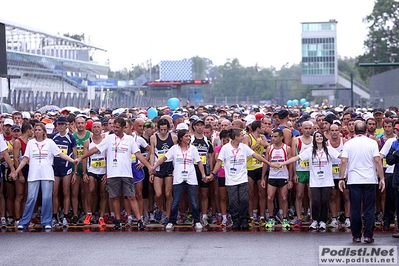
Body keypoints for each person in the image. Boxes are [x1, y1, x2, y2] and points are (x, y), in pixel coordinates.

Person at [78, 117, 152, 230]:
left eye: (118, 127)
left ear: (123, 128)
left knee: (131, 196)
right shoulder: (108, 139)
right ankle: (118, 220)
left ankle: (139, 220)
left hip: (126, 173)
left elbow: (138, 154)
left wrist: (149, 166)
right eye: (114, 127)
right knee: (115, 197)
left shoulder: (129, 139)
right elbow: (96, 149)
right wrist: (82, 157)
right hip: (113, 173)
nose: (115, 129)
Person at [11, 123, 76, 230]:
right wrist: (16, 172)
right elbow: (25, 159)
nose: (37, 132)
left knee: (46, 198)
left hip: (47, 174)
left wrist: (73, 160)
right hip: (33, 174)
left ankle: (46, 221)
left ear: (44, 132)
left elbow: (60, 154)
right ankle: (24, 221)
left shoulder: (50, 142)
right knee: (31, 198)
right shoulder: (31, 143)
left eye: (39, 130)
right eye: (35, 130)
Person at [276, 131, 340, 230]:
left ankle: (322, 221)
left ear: (323, 138)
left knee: (324, 201)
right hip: (314, 181)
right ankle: (315, 220)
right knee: (315, 201)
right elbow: (296, 158)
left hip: (327, 181)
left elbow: (342, 157)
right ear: (314, 139)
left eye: (320, 136)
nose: (319, 138)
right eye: (317, 136)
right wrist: (283, 163)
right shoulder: (310, 150)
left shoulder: (329, 150)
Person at [211, 128, 273, 230]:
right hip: (231, 180)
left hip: (243, 179)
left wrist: (268, 163)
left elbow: (255, 155)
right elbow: (219, 162)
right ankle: (235, 220)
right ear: (236, 137)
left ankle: (244, 219)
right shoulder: (225, 148)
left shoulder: (244, 147)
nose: (243, 137)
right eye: (241, 135)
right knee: (233, 201)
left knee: (244, 200)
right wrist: (213, 174)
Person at [339, 121, 385, 243]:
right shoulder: (372, 143)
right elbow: (377, 160)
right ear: (366, 131)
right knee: (369, 208)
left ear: (354, 130)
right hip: (369, 179)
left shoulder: (348, 143)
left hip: (354, 179)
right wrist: (382, 178)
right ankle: (368, 235)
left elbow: (343, 161)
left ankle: (356, 235)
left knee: (355, 208)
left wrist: (341, 178)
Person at [152, 129, 205, 230]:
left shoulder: (193, 149)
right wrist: (154, 167)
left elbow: (199, 162)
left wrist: (203, 175)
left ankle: (197, 221)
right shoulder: (174, 148)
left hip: (191, 177)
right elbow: (164, 158)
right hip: (178, 177)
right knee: (176, 200)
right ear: (181, 138)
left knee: (193, 200)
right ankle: (172, 221)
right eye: (186, 136)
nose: (188, 138)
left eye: (189, 136)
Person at [12, 122, 33, 225]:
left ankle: (24, 218)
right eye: (32, 130)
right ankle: (17, 218)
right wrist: (19, 174)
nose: (33, 132)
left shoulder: (29, 142)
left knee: (26, 195)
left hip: (28, 168)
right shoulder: (18, 142)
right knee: (19, 195)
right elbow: (16, 159)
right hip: (21, 168)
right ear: (28, 130)